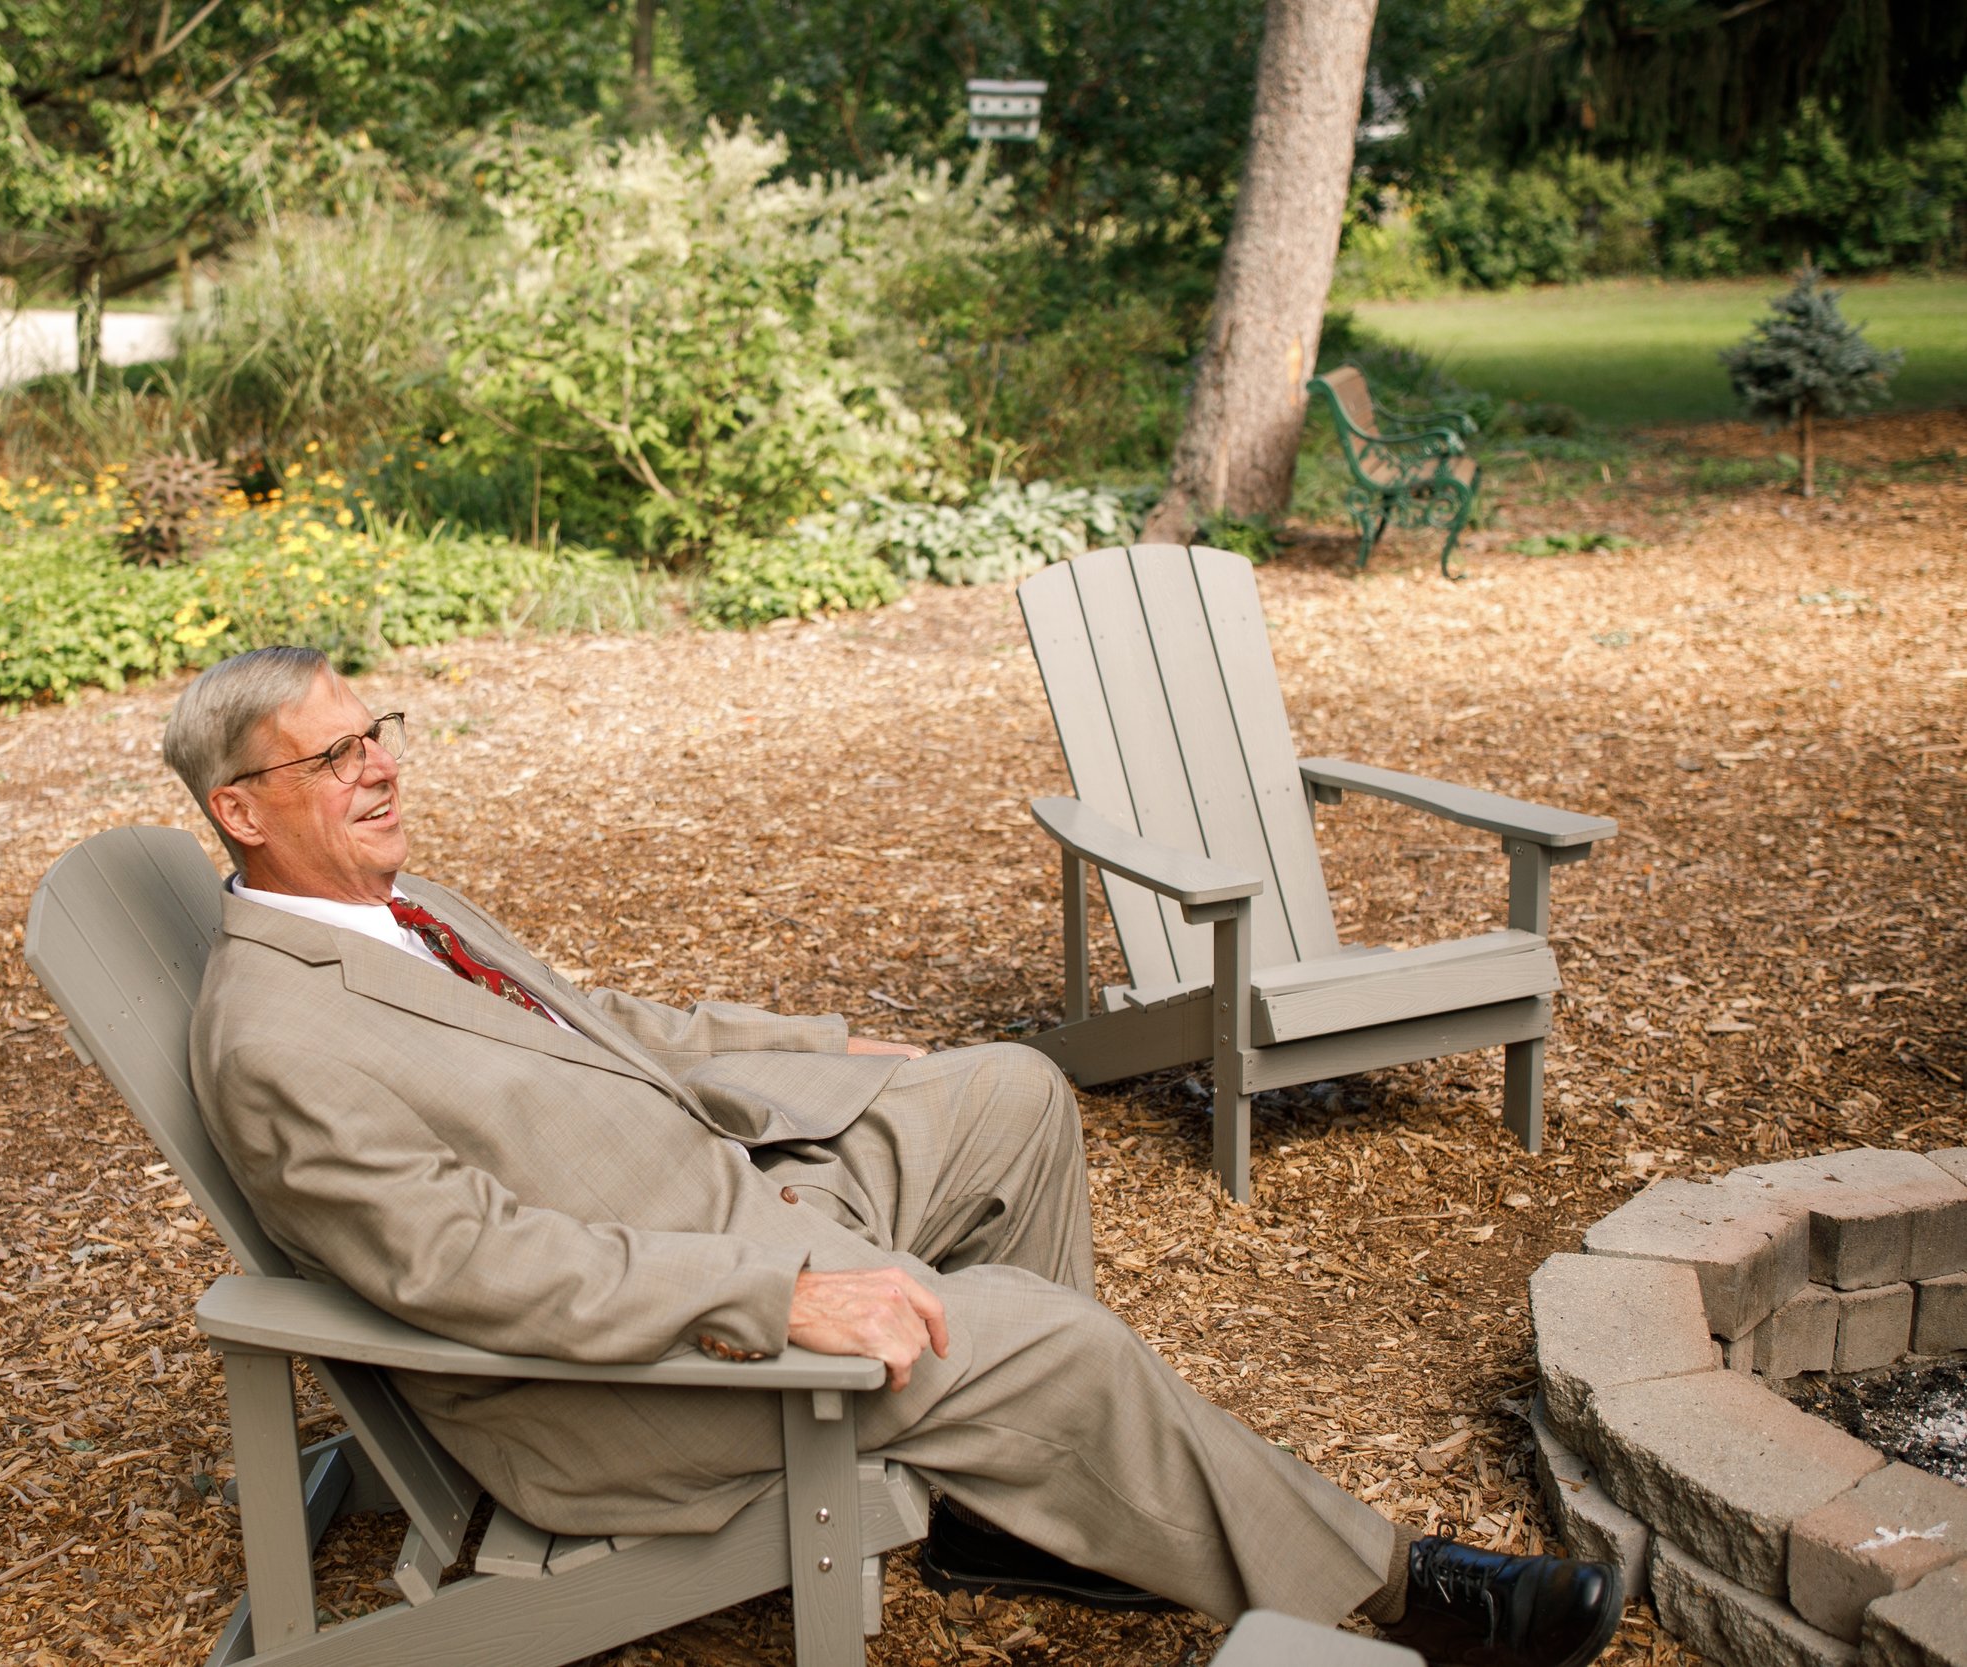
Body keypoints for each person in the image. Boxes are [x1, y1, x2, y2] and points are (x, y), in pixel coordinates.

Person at [162, 645, 1621, 1667]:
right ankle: (1399, 1596)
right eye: (335, 754)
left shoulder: (410, 912)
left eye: (378, 734)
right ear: (242, 808)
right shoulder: (278, 1037)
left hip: (734, 1196)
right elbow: (464, 1270)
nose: (380, 767)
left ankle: (1008, 1517)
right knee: (1051, 1345)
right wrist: (774, 1303)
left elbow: (608, 1025)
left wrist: (824, 1048)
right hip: (627, 1383)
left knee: (1008, 1092)